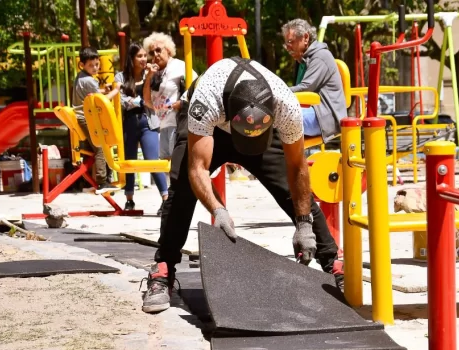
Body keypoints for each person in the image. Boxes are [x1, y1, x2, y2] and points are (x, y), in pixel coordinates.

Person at [140, 56, 343, 314]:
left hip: (254, 126)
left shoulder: (286, 105)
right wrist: (217, 209)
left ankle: (332, 260)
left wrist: (304, 223)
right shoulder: (206, 101)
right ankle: (163, 268)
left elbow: (297, 168)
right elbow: (197, 168)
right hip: (209, 128)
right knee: (181, 191)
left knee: (289, 189)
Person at [115, 42, 169, 213]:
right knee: (129, 161)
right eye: (139, 56)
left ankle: (165, 198)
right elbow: (120, 99)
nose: (144, 59)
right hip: (129, 123)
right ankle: (129, 199)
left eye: (145, 55)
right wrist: (134, 101)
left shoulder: (151, 74)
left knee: (152, 160)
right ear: (131, 59)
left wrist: (151, 77)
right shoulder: (121, 77)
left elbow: (157, 95)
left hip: (148, 122)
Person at [281, 19, 347, 142]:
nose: (287, 47)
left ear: (305, 38)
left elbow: (306, 87)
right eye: (286, 43)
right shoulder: (304, 60)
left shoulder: (320, 56)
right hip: (316, 113)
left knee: (278, 118)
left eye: (291, 42)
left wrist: (277, 92)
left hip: (325, 116)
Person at [73, 47, 120, 193]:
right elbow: (101, 102)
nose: (95, 68)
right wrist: (115, 90)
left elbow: (91, 94)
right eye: (91, 65)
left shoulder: (80, 77)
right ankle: (102, 181)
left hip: (81, 117)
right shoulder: (90, 81)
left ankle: (105, 178)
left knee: (99, 146)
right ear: (82, 65)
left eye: (97, 64)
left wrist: (102, 90)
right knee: (101, 147)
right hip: (87, 118)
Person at [143, 32, 196, 163]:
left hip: (177, 122)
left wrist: (182, 103)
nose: (155, 55)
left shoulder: (179, 66)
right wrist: (149, 76)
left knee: (178, 162)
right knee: (166, 164)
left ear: (168, 50)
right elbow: (147, 101)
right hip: (161, 125)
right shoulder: (154, 72)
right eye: (151, 52)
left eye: (158, 50)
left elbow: (197, 86)